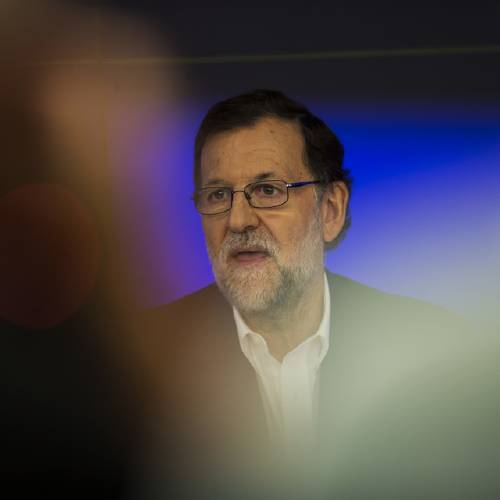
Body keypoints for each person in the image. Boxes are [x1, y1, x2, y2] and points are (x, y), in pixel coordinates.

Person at [136, 89, 499, 500]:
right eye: (218, 195)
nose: (237, 220)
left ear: (331, 210)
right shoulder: (144, 359)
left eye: (269, 190)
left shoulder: (432, 350)